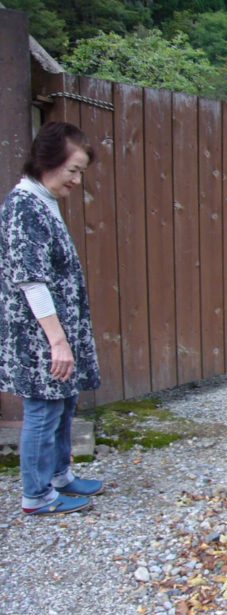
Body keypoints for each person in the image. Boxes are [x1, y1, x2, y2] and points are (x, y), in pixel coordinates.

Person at [0, 122, 103, 515]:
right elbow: (32, 282)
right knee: (43, 410)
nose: (77, 180)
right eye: (73, 170)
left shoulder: (44, 201)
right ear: (47, 161)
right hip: (39, 335)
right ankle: (37, 495)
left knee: (63, 403)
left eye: (81, 172)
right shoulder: (24, 205)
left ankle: (60, 476)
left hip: (57, 331)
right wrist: (57, 341)